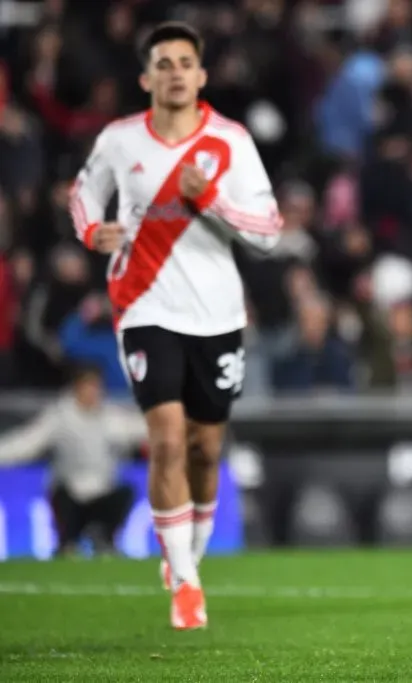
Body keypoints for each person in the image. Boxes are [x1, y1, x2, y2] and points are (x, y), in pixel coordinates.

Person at [68, 21, 282, 629]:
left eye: (185, 62)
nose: (176, 72)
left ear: (202, 74)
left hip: (217, 314)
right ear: (146, 78)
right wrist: (92, 231)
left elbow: (269, 232)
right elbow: (82, 195)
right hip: (144, 307)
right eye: (163, 63)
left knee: (204, 450)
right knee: (164, 440)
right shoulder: (119, 140)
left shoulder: (230, 142)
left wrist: (210, 199)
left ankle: (188, 553)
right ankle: (185, 581)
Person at [0, 364, 144, 555]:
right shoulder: (59, 417)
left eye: (96, 386)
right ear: (76, 387)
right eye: (88, 386)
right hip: (70, 495)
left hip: (103, 493)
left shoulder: (111, 416)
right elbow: (27, 442)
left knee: (125, 493)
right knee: (62, 498)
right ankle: (68, 544)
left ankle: (104, 539)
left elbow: (143, 430)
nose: (93, 391)